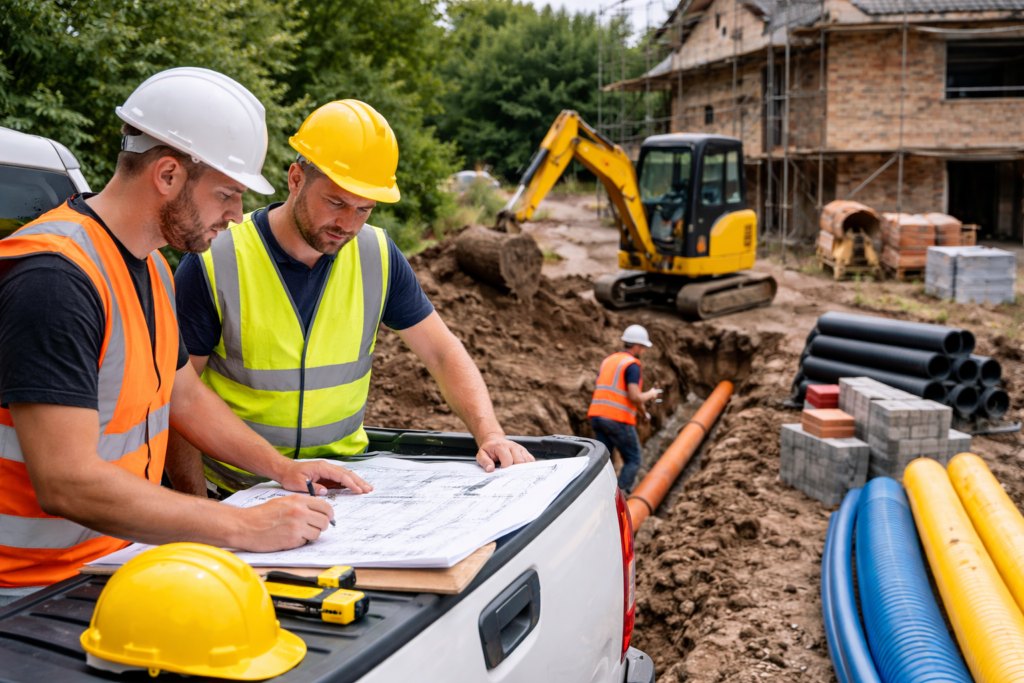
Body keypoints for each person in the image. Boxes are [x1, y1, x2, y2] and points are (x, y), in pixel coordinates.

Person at [0, 68, 372, 603]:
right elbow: (67, 481)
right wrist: (243, 525)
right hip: (26, 591)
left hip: (110, 561)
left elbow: (184, 395)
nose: (237, 215)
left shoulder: (149, 266)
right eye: (227, 193)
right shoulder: (55, 281)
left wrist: (283, 469)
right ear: (169, 174)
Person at [168, 100, 533, 496]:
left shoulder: (377, 256)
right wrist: (200, 509)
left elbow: (442, 353)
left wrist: (489, 433)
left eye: (364, 209)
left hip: (343, 490)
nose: (347, 224)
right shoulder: (215, 260)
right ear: (295, 179)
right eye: (336, 203)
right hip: (236, 490)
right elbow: (177, 401)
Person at [587, 325, 662, 492]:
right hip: (617, 419)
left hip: (597, 416)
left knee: (605, 463)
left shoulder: (608, 360)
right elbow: (634, 396)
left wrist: (643, 413)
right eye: (643, 347)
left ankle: (602, 495)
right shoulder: (632, 365)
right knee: (634, 459)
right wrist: (651, 394)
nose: (643, 351)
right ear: (637, 346)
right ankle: (619, 497)